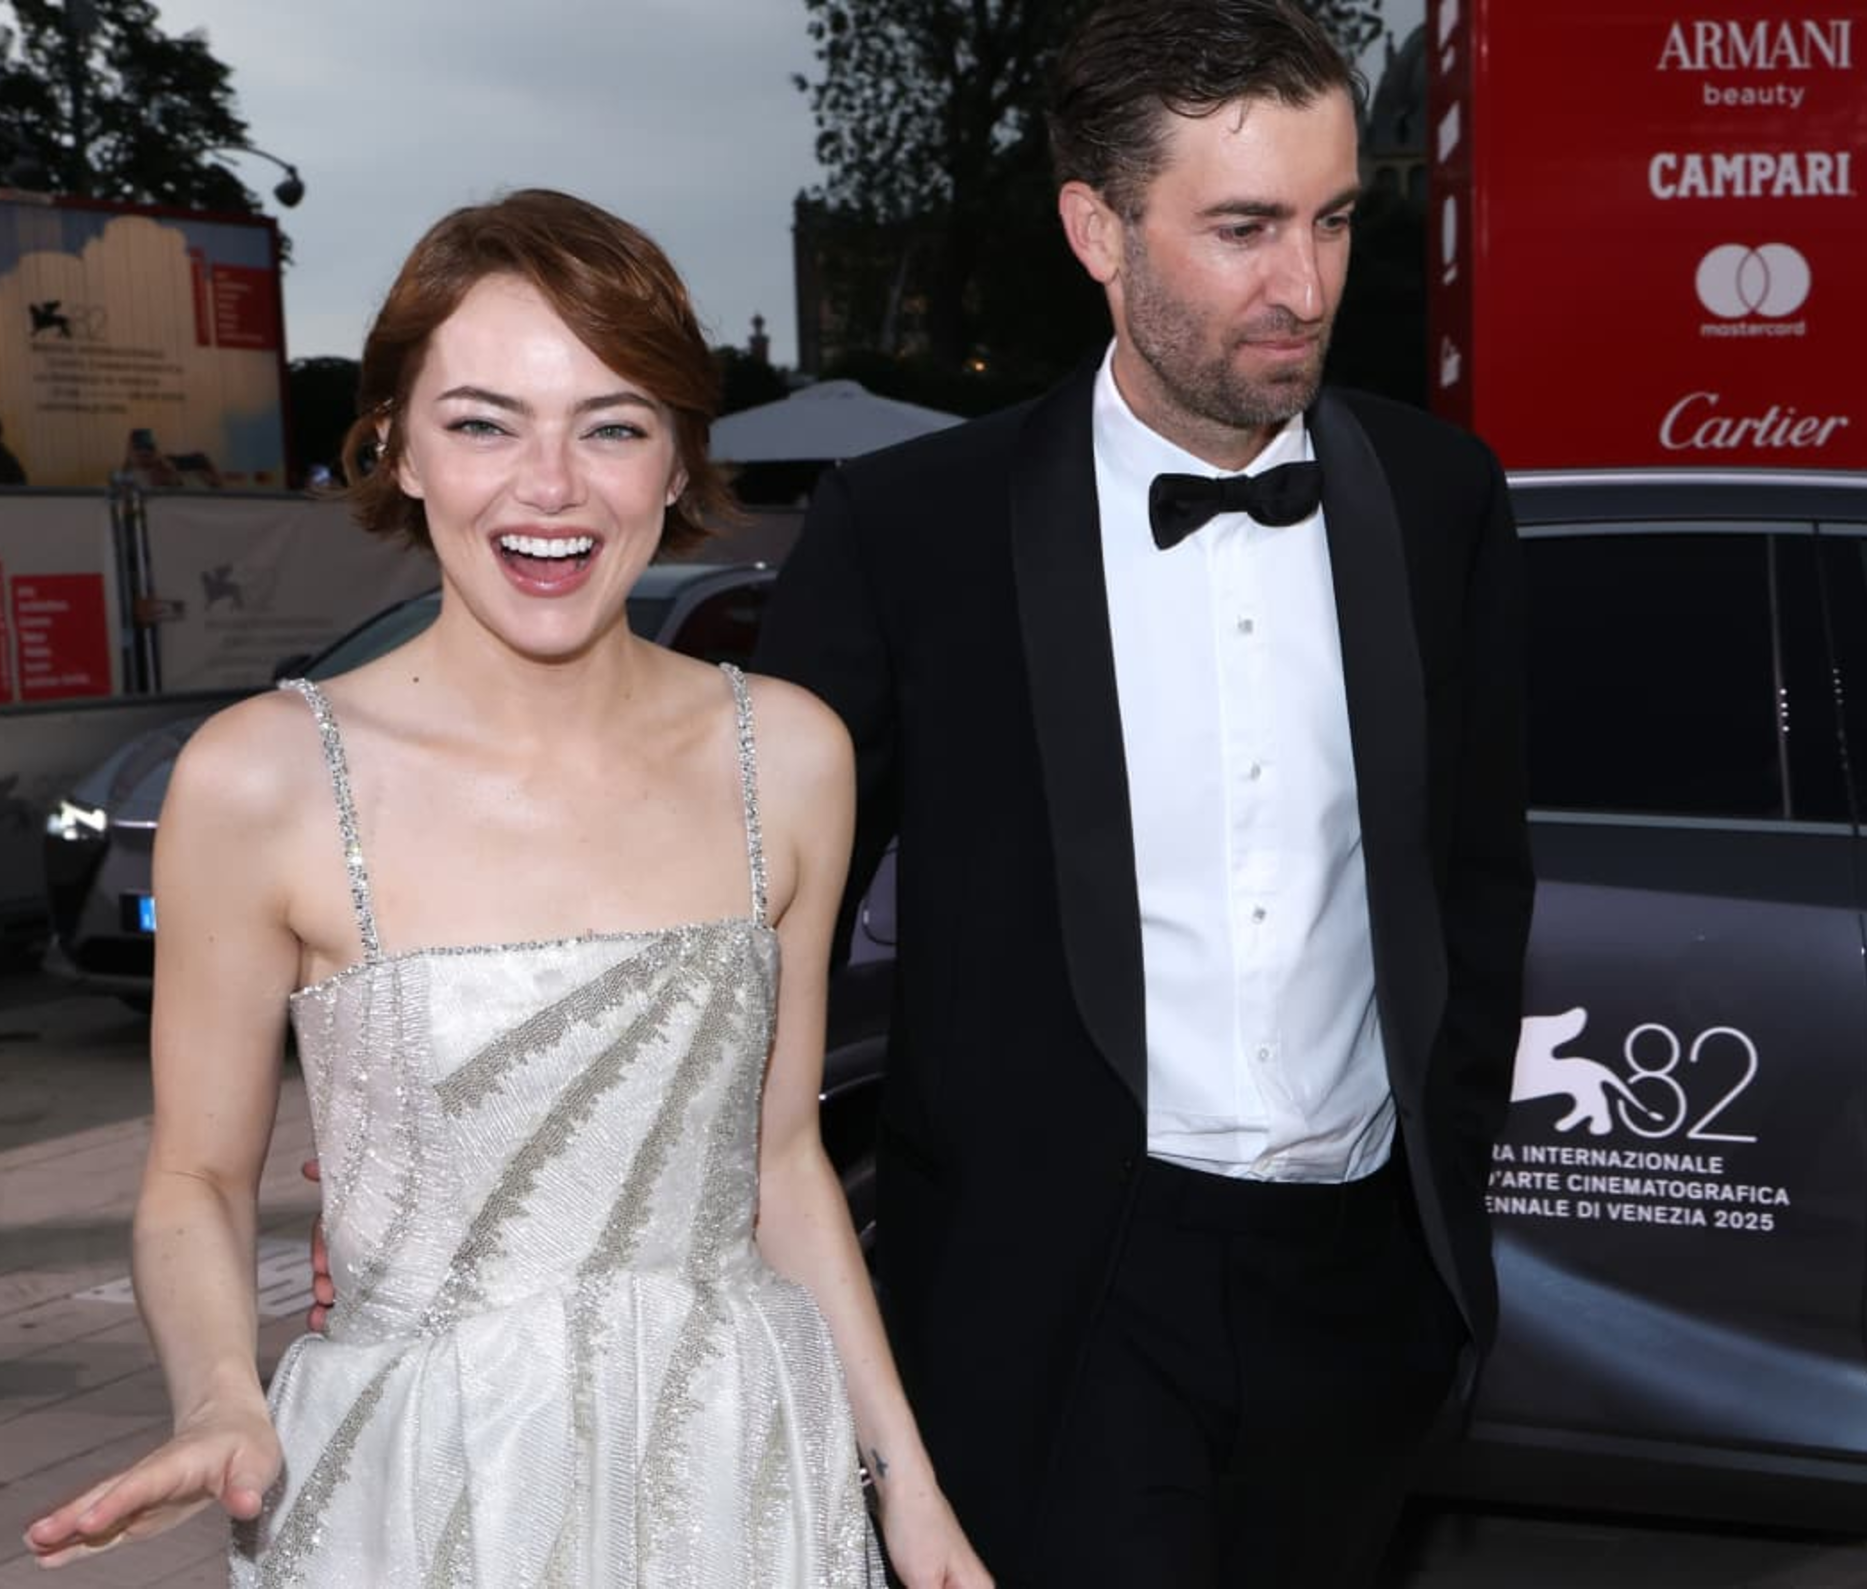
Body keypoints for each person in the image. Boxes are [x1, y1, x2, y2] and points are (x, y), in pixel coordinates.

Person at [22, 189, 988, 1589]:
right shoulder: (261, 779)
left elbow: (781, 1164)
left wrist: (907, 1489)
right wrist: (219, 1393)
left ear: (677, 459)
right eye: (484, 424)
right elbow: (196, 1175)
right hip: (425, 1478)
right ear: (398, 448)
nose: (551, 486)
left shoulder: (788, 756)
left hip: (737, 1467)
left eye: (612, 426)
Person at [750, 3, 1534, 1585]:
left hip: (1359, 1292)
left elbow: (1472, 876)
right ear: (1095, 231)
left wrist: (1432, 1216)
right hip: (1060, 1299)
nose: (1303, 284)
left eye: (1329, 220)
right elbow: (752, 918)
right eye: (1242, 228)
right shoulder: (910, 532)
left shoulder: (1437, 498)